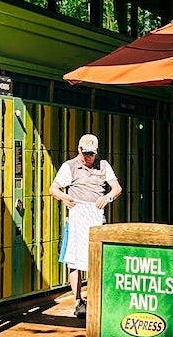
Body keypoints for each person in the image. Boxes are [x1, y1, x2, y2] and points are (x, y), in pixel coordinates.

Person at [50, 133, 122, 316]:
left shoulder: (103, 166)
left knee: (98, 258)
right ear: (79, 149)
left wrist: (107, 198)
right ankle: (78, 300)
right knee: (74, 260)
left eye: (92, 154)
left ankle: (97, 296)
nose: (89, 158)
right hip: (76, 217)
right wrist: (64, 197)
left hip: (96, 216)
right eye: (86, 154)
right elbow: (53, 189)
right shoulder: (70, 166)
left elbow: (117, 188)